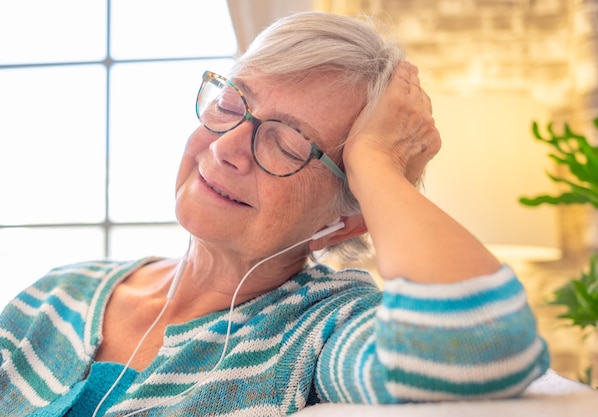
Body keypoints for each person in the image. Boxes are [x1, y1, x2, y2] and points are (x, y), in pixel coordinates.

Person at [0, 11, 549, 417]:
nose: (227, 147)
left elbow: (481, 345)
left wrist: (377, 162)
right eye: (231, 104)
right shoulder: (61, 291)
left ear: (342, 223)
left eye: (288, 145)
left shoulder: (317, 329)